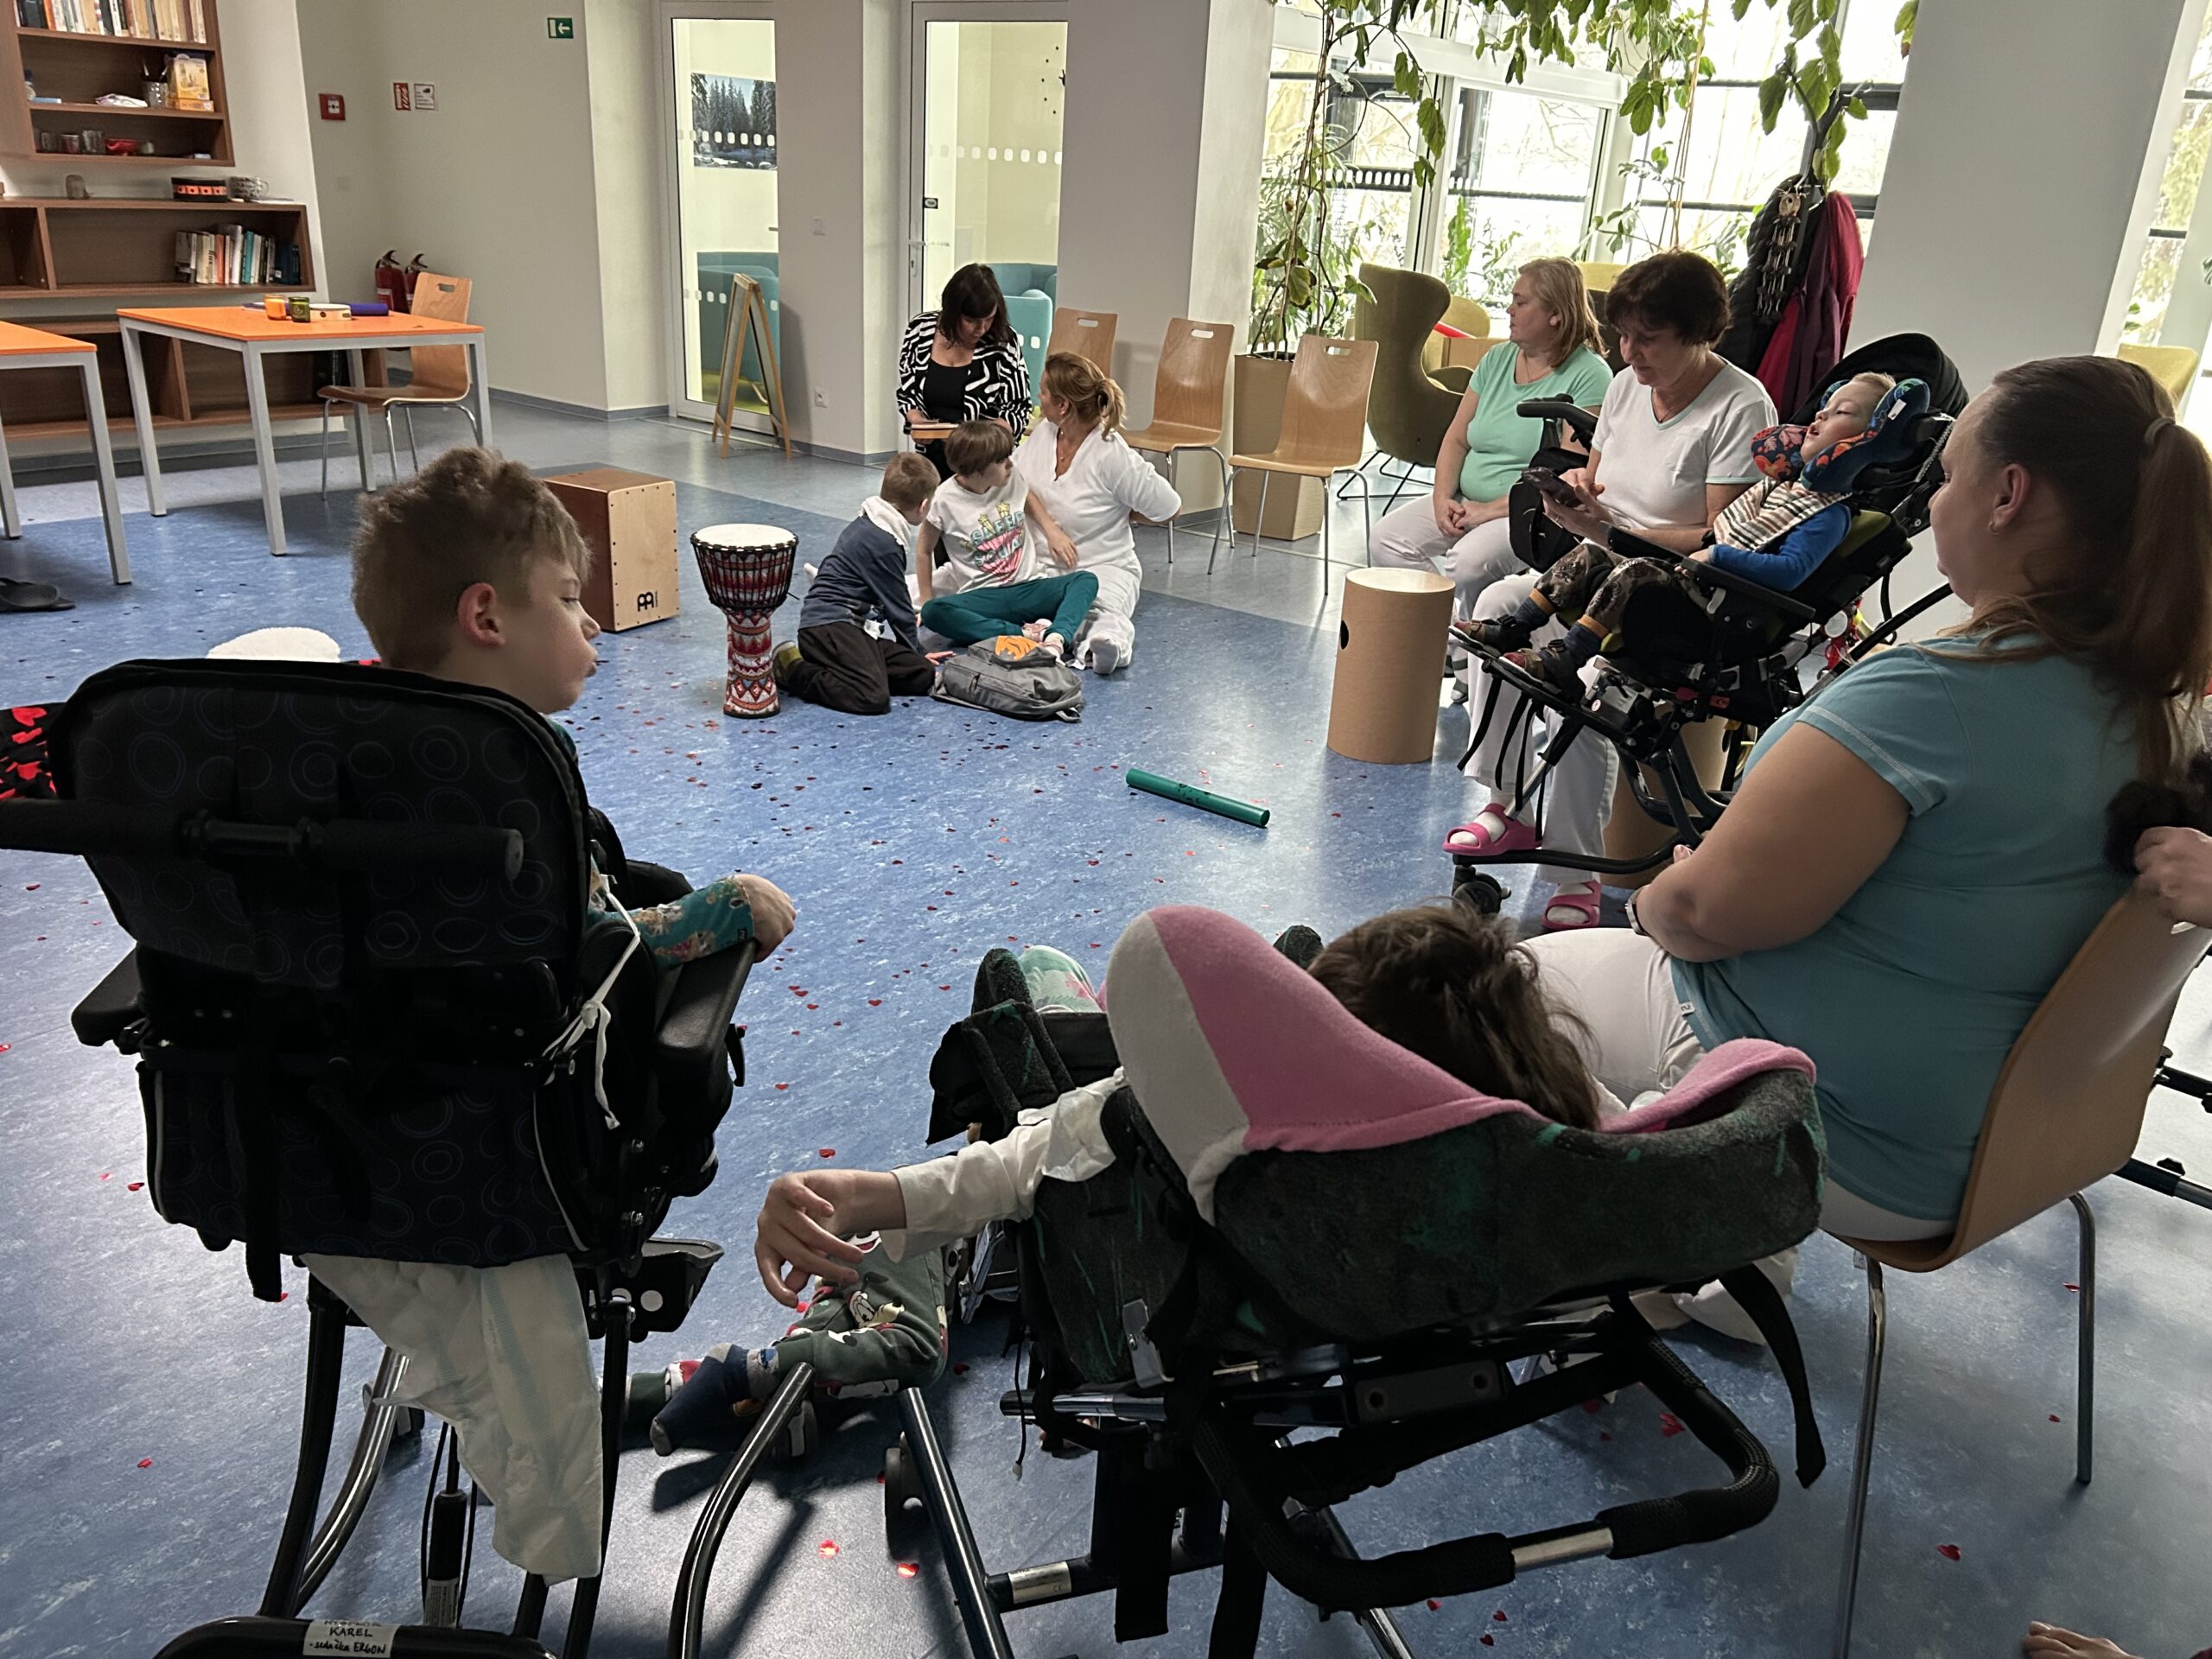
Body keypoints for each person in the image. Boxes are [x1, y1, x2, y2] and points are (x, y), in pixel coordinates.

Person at [1515, 354, 2212, 1338]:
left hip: (1833, 1137)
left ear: (2008, 495)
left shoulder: (1934, 699)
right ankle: (1731, 1251)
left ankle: (1650, 1237)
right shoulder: (2162, 711)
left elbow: (1706, 917)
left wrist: (1669, 895)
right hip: (2007, 1146)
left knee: (1502, 989)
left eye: (1951, 475)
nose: (1934, 501)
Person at [751, 902, 1606, 1307]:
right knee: (1292, 947)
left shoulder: (1219, 1121)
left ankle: (972, 1253)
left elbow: (1053, 1144)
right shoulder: (1522, 1156)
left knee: (1018, 974)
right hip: (1339, 1295)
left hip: (1126, 1194)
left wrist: (876, 1195)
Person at [350, 446, 798, 963]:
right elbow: (585, 950)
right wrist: (734, 905)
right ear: (486, 618)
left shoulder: (345, 728)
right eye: (568, 599)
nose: (590, 624)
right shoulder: (519, 762)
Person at [1452, 251, 1777, 931]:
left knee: (1588, 680)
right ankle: (1507, 804)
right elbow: (1598, 480)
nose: (1629, 353)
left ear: (1699, 333)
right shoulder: (1629, 385)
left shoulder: (1741, 406)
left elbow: (1720, 536)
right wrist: (1577, 497)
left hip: (1672, 595)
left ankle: (1577, 872)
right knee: (1496, 607)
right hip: (1597, 563)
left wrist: (1616, 529)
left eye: (1648, 339)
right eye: (1624, 336)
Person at [1465, 372, 1897, 696]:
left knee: (1634, 570)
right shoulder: (1781, 487)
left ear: (1870, 439)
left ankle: (1567, 657)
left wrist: (1719, 557)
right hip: (1695, 576)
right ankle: (1515, 627)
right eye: (1826, 406)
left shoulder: (1828, 514)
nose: (1820, 415)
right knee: (1592, 555)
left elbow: (1789, 572)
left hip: (1719, 605)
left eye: (1842, 413)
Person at [1368, 258, 1613, 620]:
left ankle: (1465, 643)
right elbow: (1456, 439)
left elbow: (1564, 478)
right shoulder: (1497, 358)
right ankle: (1448, 634)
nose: (1510, 310)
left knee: (1467, 564)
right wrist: (1441, 498)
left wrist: (1486, 512)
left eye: (1521, 302)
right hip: (1467, 500)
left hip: (1530, 512)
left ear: (1556, 315)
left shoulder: (1590, 374)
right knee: (1387, 540)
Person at [1013, 352, 1183, 674]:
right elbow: (1015, 480)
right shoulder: (1045, 433)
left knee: (1098, 615)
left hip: (1103, 568)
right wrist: (1050, 528)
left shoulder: (1112, 455)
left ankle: (1105, 646)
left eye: (1043, 392)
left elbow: (1170, 508)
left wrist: (1125, 514)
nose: (1039, 397)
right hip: (1043, 569)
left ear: (1063, 405)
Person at [773, 451, 940, 715]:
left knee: (922, 674)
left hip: (852, 626)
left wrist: (917, 658)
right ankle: (794, 669)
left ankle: (848, 669)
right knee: (872, 697)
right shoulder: (884, 542)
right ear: (923, 506)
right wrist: (917, 650)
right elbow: (899, 610)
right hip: (827, 627)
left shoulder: (872, 520)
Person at [916, 418, 1096, 659]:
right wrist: (925, 601)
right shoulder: (944, 499)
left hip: (1029, 587)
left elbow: (1027, 495)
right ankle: (1025, 634)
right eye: (1002, 461)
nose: (1010, 464)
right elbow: (924, 550)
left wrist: (1051, 529)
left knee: (1085, 580)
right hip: (985, 597)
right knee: (933, 612)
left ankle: (1056, 637)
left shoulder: (1011, 478)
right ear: (979, 469)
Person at [897, 263, 1033, 479]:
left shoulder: (1004, 342)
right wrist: (916, 420)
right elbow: (908, 392)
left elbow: (1018, 407)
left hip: (983, 465)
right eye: (971, 321)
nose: (981, 329)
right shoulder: (920, 331)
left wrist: (988, 438)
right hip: (930, 461)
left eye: (989, 319)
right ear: (952, 312)